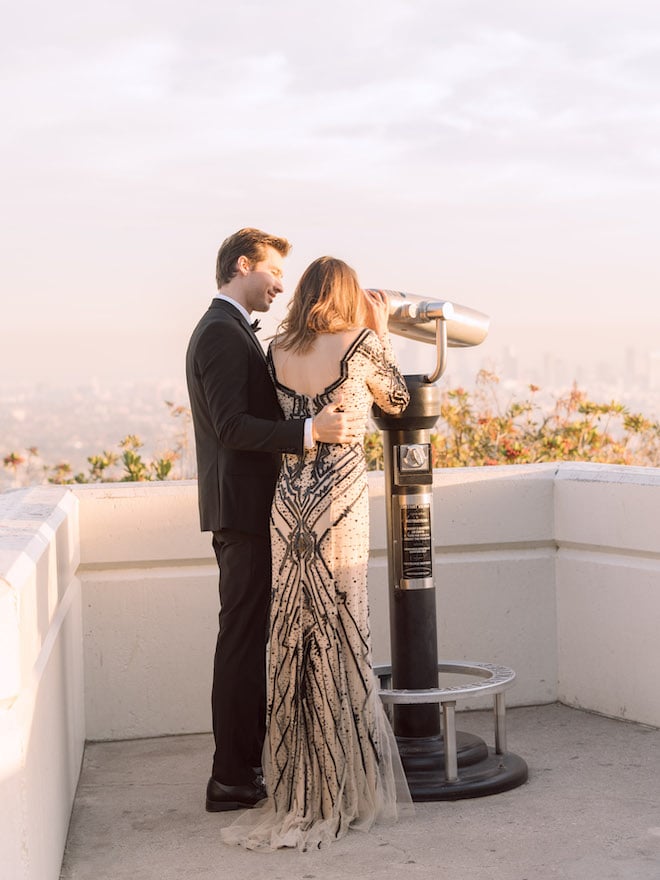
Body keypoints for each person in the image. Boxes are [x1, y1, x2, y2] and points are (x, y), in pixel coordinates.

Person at [221, 256, 413, 851]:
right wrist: (381, 334)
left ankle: (301, 780)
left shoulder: (278, 348)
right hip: (339, 500)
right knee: (342, 625)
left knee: (298, 632)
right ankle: (343, 782)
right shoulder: (360, 340)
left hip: (290, 501)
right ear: (352, 295)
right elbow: (399, 403)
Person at [186, 230, 363, 813]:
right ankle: (231, 776)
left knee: (250, 635)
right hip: (241, 512)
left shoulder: (232, 330)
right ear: (243, 266)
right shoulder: (218, 332)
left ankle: (246, 768)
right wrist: (310, 432)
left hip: (249, 509)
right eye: (273, 272)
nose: (281, 286)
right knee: (240, 640)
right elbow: (231, 426)